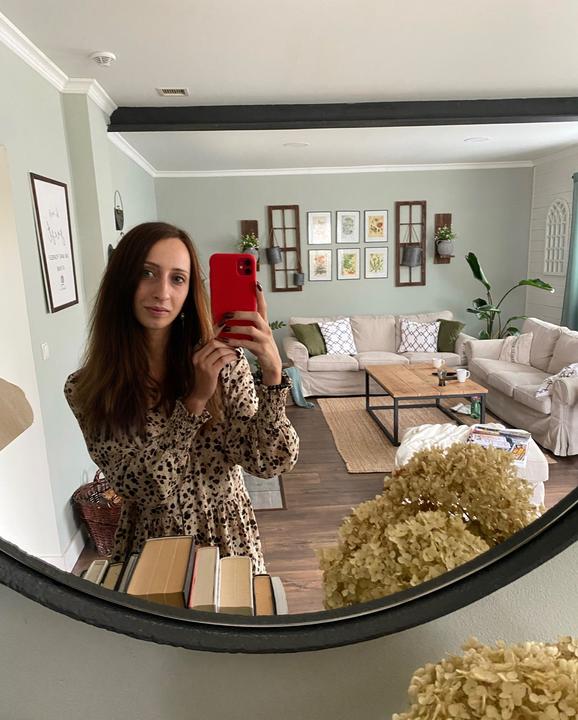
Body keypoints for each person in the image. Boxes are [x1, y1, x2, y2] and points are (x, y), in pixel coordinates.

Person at [65, 222, 299, 574]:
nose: (162, 292)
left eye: (177, 278)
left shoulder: (224, 364)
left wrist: (272, 375)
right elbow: (144, 488)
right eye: (147, 273)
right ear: (122, 281)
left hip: (229, 541)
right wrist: (193, 403)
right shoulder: (88, 388)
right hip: (152, 548)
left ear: (190, 291)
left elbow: (270, 462)